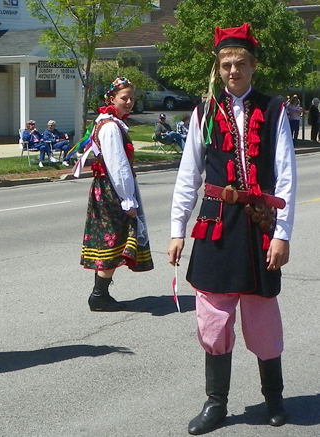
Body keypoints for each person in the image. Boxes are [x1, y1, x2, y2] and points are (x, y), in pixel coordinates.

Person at [167, 23, 296, 435]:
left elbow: (287, 176)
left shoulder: (274, 109)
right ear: (218, 68)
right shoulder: (204, 111)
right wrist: (176, 229)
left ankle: (273, 397)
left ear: (253, 66)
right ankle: (216, 402)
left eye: (240, 63)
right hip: (216, 222)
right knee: (213, 316)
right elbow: (188, 175)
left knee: (261, 316)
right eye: (226, 64)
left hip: (259, 223)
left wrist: (282, 234)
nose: (233, 70)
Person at [79, 77, 154, 311]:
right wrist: (127, 199)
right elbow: (117, 166)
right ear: (111, 99)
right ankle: (98, 296)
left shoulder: (109, 122)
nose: (129, 102)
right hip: (112, 191)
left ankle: (100, 294)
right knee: (115, 240)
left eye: (132, 98)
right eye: (124, 98)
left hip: (108, 189)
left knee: (111, 241)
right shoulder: (110, 126)